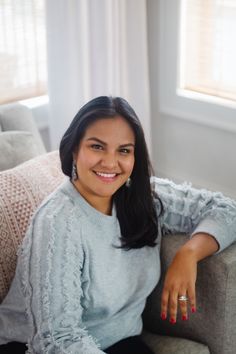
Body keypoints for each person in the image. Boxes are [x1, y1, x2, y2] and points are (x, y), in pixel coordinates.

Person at [0, 96, 236, 354]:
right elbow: (58, 339)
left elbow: (226, 210)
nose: (110, 163)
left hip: (120, 341)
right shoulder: (57, 223)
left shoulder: (144, 197)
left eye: (124, 150)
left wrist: (188, 254)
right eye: (97, 147)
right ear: (74, 149)